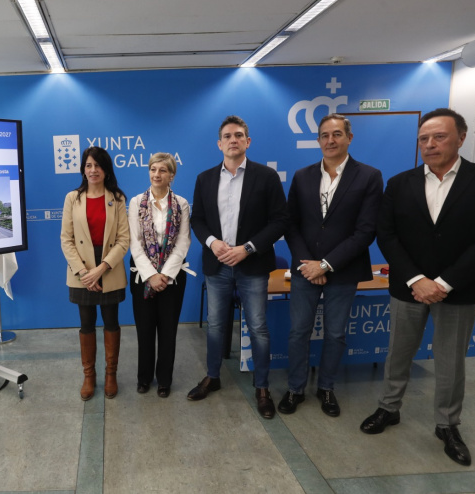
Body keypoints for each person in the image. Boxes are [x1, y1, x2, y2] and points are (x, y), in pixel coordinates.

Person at [360, 108, 475, 467]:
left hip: (459, 288)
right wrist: (417, 279)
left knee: (450, 360)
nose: (429, 144)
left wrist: (443, 283)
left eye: (439, 136)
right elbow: (387, 234)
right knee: (398, 352)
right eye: (423, 139)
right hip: (409, 287)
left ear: (461, 138)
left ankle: (447, 425)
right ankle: (389, 408)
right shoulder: (400, 183)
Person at [279, 114, 383, 417]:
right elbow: (291, 224)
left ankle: (326, 388)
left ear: (349, 137)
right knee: (298, 332)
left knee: (336, 334)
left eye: (337, 134)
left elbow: (366, 230)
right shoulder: (302, 176)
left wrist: (325, 265)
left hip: (343, 269)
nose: (330, 140)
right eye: (324, 135)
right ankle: (295, 388)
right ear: (318, 140)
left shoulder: (369, 176)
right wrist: (308, 265)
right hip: (305, 270)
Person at [188, 115, 289, 419]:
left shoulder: (266, 177)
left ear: (248, 141)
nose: (233, 140)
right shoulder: (205, 179)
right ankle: (213, 376)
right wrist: (212, 243)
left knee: (257, 327)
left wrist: (247, 249)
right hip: (217, 264)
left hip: (253, 265)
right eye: (227, 136)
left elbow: (280, 221)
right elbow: (197, 219)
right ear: (219, 144)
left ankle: (262, 387)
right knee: (216, 325)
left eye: (239, 135)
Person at [61, 147, 130, 401]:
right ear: (83, 169)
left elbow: (124, 240)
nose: (93, 170)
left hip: (108, 268)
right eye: (88, 165)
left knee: (111, 322)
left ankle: (111, 374)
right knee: (86, 324)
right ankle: (89, 376)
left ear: (106, 170)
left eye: (98, 166)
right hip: (81, 270)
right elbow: (66, 239)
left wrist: (101, 268)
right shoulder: (72, 198)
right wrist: (84, 272)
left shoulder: (117, 198)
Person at [128, 152, 192, 398]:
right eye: (153, 169)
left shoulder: (181, 204)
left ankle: (164, 380)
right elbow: (134, 243)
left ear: (171, 175)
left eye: (162, 170)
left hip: (172, 278)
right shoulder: (136, 202)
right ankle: (144, 378)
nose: (157, 174)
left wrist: (164, 275)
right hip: (142, 276)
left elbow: (183, 242)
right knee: (144, 330)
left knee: (168, 330)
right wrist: (151, 275)